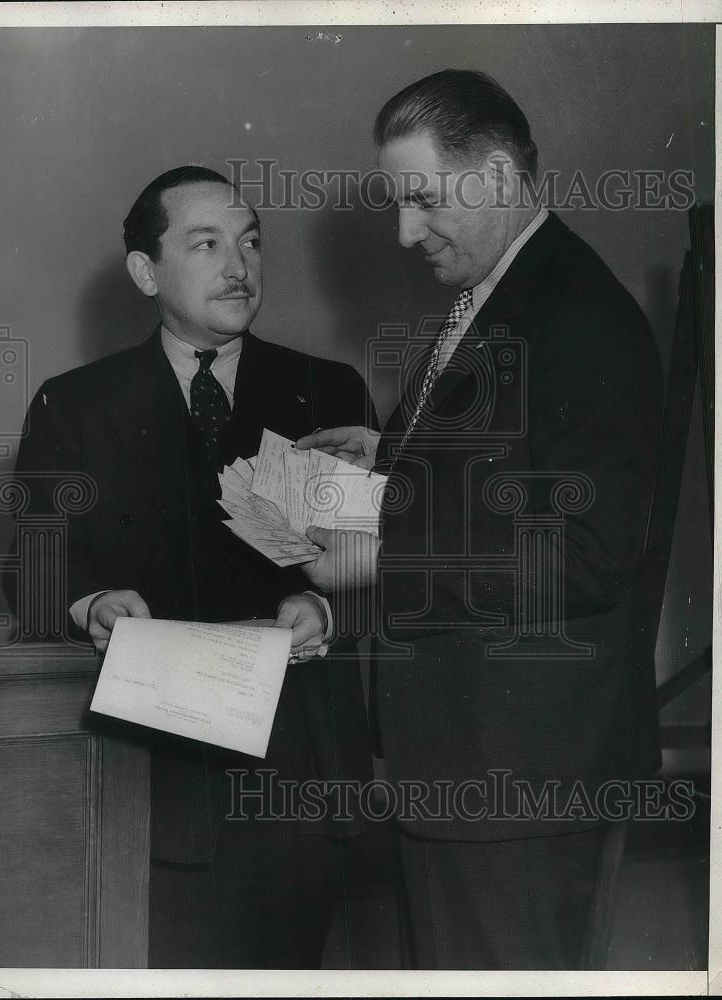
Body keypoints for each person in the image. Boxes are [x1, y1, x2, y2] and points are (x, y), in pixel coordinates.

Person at [277, 70, 663, 969]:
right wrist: (389, 458)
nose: (406, 233)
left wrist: (378, 557)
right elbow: (508, 488)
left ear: (494, 173)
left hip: (519, 779)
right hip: (468, 773)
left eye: (421, 200)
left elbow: (588, 551)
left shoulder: (581, 315)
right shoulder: (500, 294)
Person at [5, 165, 377, 968]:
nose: (238, 265)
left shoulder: (328, 390)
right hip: (147, 776)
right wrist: (94, 603)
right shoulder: (72, 404)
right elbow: (31, 574)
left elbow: (382, 571)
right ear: (146, 271)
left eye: (249, 242)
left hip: (299, 779)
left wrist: (330, 611)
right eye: (205, 244)